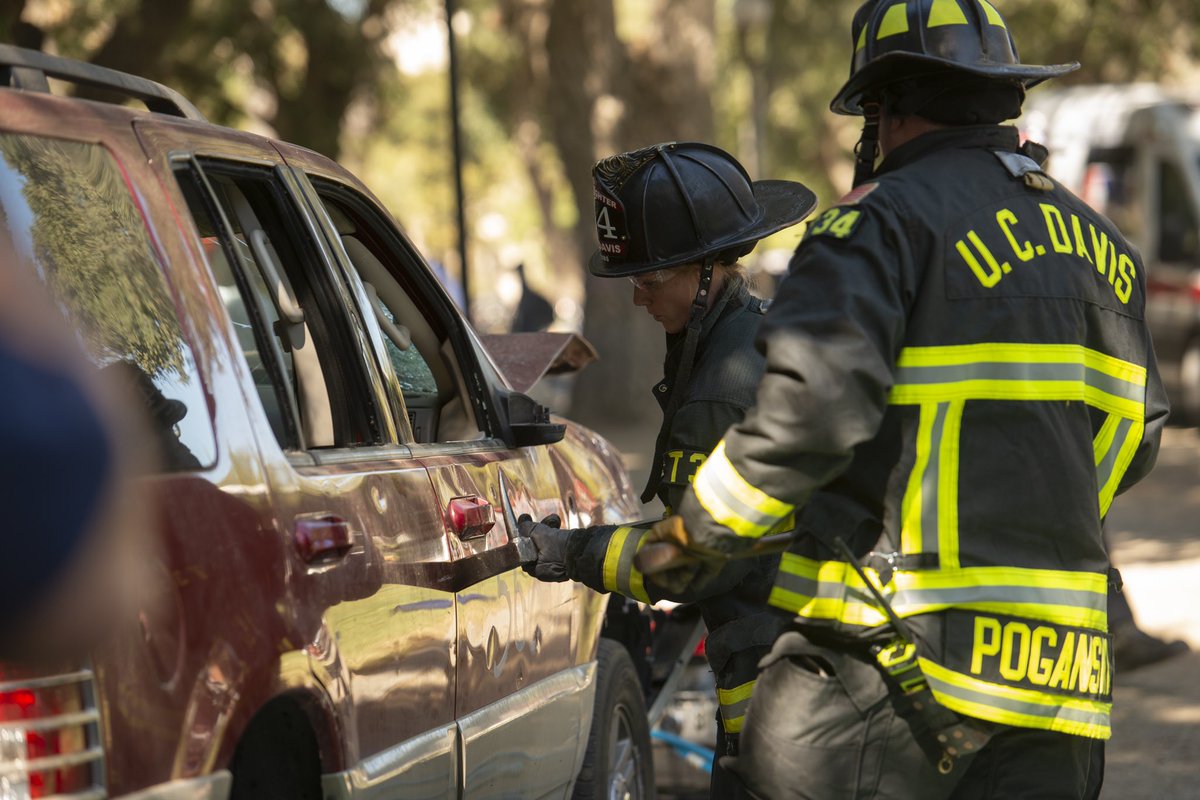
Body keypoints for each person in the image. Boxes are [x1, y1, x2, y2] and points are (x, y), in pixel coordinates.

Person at [641, 2, 1170, 798]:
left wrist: (691, 538)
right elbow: (1135, 432)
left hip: (884, 676)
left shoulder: (875, 227)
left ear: (881, 111)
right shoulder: (1107, 251)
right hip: (1062, 686)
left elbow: (805, 417)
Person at [518, 141, 816, 796]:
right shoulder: (759, 335)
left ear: (707, 270)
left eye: (651, 280)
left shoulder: (719, 389)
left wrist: (568, 551)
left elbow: (689, 559)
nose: (637, 298)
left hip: (780, 716)